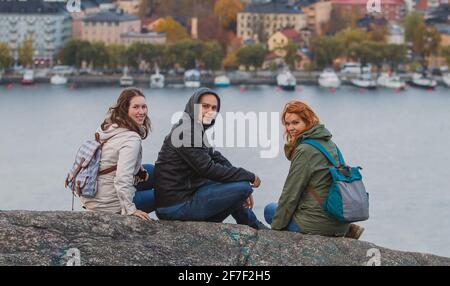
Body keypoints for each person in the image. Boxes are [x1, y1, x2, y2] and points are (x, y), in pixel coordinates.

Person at [154, 87, 267, 229]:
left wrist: (241, 178)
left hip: (187, 196)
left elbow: (215, 157)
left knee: (239, 186)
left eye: (214, 108)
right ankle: (251, 225)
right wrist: (249, 177)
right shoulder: (187, 132)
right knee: (242, 188)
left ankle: (252, 224)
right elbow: (208, 169)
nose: (210, 111)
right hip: (176, 207)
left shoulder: (194, 128)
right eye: (205, 106)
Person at [264, 100, 364, 239]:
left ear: (308, 121)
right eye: (287, 124)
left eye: (295, 122)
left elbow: (291, 193)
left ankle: (328, 229)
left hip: (317, 224)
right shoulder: (329, 144)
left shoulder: (305, 150)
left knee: (270, 210)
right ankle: (347, 230)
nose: (290, 128)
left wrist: (275, 233)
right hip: (340, 219)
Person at [81, 88, 155, 221]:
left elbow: (110, 161)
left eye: (144, 107)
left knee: (153, 171)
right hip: (108, 204)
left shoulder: (108, 127)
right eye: (136, 107)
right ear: (125, 109)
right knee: (165, 194)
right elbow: (122, 178)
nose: (142, 112)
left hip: (93, 195)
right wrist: (130, 209)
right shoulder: (131, 139)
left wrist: (140, 172)